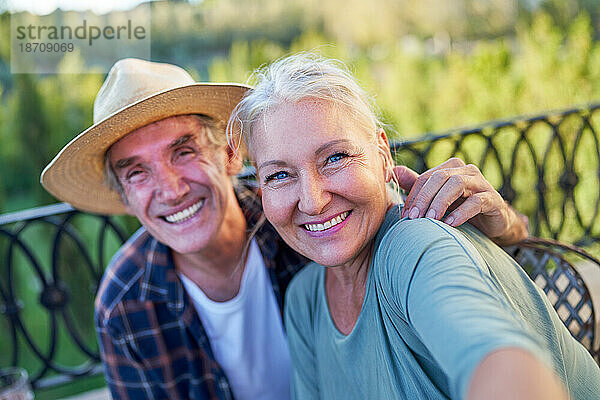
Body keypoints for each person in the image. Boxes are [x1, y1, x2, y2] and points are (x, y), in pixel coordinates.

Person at [41, 58, 528, 400]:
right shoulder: (126, 304)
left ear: (230, 156)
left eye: (184, 151)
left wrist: (501, 225)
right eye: (137, 172)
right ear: (125, 198)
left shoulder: (304, 222)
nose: (170, 189)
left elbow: (474, 283)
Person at [229, 53, 600, 400]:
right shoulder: (304, 301)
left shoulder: (413, 243)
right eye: (280, 174)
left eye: (336, 157)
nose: (312, 200)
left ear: (382, 154)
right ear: (260, 189)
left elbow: (499, 360)